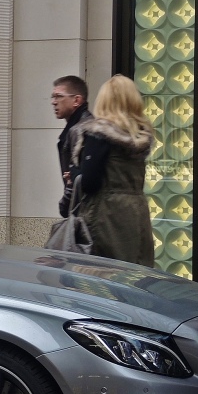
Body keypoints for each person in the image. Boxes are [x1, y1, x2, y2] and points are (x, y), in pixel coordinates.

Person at [71, 74, 155, 267]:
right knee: (136, 271)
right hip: (136, 212)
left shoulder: (98, 134)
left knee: (104, 276)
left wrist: (75, 175)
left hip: (106, 215)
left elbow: (90, 183)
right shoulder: (139, 137)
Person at [51, 75, 92, 217]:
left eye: (58, 96)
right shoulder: (77, 128)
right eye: (53, 97)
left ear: (76, 100)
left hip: (83, 214)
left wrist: (65, 206)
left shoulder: (81, 130)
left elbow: (79, 180)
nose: (53, 102)